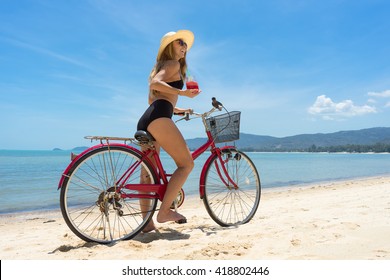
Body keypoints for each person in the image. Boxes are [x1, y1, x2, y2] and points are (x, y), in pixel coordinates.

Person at [137, 30, 200, 232]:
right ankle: (164, 212)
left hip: (148, 117)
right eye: (180, 42)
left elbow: (153, 99)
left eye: (185, 45)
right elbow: (155, 84)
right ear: (169, 46)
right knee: (186, 164)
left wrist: (178, 109)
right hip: (159, 118)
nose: (184, 47)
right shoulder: (172, 64)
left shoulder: (161, 66)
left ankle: (146, 224)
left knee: (148, 175)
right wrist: (182, 93)